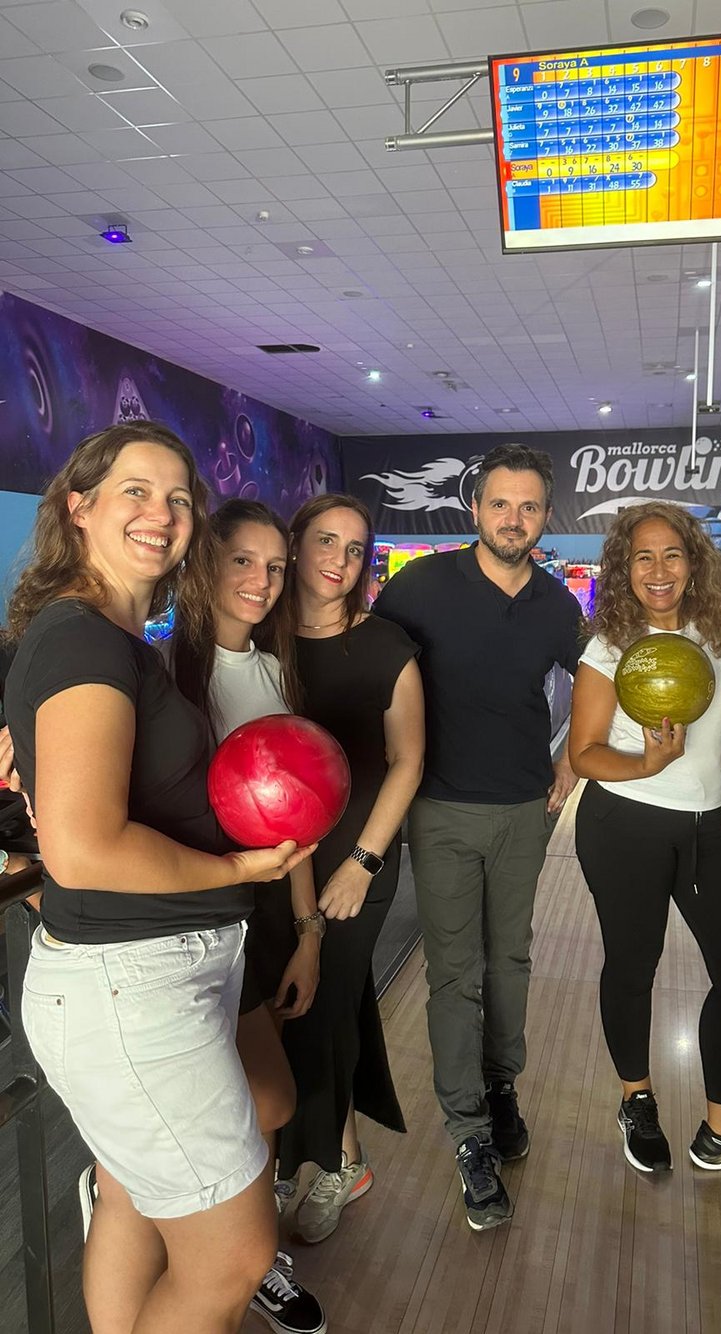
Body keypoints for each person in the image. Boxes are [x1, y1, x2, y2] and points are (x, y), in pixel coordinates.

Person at [2, 422, 313, 1334]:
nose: (162, 513)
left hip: (162, 968)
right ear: (79, 508)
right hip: (128, 982)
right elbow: (85, 848)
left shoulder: (109, 638)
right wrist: (235, 866)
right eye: (135, 491)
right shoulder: (82, 640)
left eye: (179, 497)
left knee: (141, 1187)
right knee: (235, 1256)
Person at [375, 443, 582, 1232]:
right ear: (475, 509)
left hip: (525, 810)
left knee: (513, 960)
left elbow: (599, 687)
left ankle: (502, 1086)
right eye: (501, 504)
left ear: (545, 516)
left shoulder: (557, 605)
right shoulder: (420, 586)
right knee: (455, 973)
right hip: (440, 809)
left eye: (530, 507)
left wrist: (570, 764)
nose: (514, 519)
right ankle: (468, 1133)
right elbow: (367, 675)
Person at [568, 501, 721, 1177]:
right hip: (622, 823)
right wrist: (645, 764)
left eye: (672, 555)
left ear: (694, 562)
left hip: (707, 826)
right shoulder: (608, 646)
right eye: (642, 557)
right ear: (624, 569)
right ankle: (636, 1097)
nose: (658, 571)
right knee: (634, 967)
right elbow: (582, 755)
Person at [168, 497, 326, 1334]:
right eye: (242, 562)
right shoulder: (166, 678)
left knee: (264, 1105)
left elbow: (292, 823)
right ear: (206, 565)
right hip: (183, 923)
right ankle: (220, 1255)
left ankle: (250, 1257)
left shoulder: (270, 672)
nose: (262, 582)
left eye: (274, 566)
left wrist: (307, 932)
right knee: (252, 1106)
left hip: (259, 915)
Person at [274, 493, 424, 1246]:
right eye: (325, 541)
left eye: (356, 548)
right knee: (298, 1003)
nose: (338, 559)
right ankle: (343, 1156)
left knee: (322, 1005)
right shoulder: (259, 643)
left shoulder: (385, 644)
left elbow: (408, 760)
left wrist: (364, 862)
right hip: (273, 860)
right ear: (295, 546)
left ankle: (322, 1164)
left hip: (357, 855)